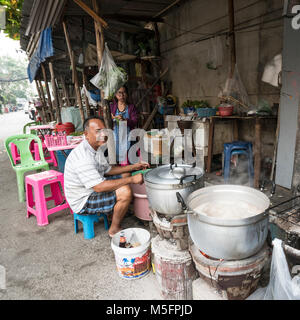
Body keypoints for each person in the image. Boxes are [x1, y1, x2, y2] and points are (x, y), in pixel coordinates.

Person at [64, 116, 149, 237]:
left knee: (125, 174)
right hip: (83, 200)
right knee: (125, 191)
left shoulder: (95, 148)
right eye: (98, 131)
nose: (103, 134)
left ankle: (112, 212)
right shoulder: (83, 157)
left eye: (104, 130)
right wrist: (131, 179)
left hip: (92, 188)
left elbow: (108, 170)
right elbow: (99, 187)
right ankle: (114, 229)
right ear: (86, 134)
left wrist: (134, 167)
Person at [110, 86, 138, 165]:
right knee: (117, 159)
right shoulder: (112, 107)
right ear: (116, 94)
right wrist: (111, 117)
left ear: (127, 94)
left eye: (124, 92)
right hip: (116, 137)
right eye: (119, 92)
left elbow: (134, 121)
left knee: (127, 160)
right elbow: (107, 121)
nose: (122, 95)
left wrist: (125, 120)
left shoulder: (131, 107)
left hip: (128, 136)